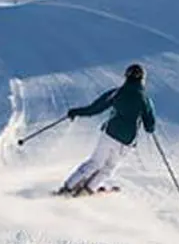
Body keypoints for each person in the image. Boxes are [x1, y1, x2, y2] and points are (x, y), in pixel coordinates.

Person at [60, 63, 156, 195]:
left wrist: (76, 112)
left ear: (126, 76)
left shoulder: (117, 92)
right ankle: (89, 189)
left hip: (109, 134)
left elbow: (95, 109)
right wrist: (148, 122)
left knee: (95, 162)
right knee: (109, 167)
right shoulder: (145, 99)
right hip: (126, 141)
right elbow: (149, 127)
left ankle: (68, 187)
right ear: (142, 79)